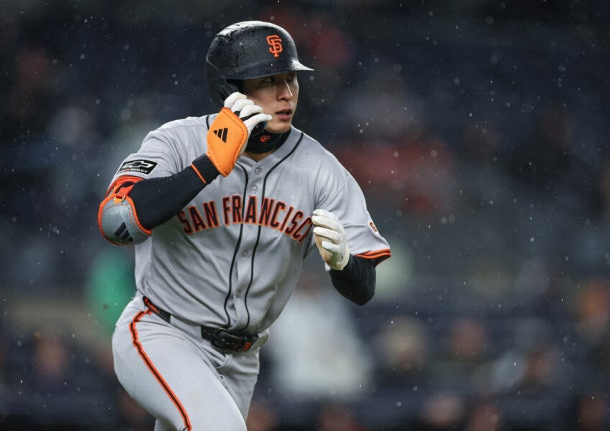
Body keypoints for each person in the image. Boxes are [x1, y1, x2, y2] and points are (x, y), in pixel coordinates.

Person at [97, 20, 391, 431]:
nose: (286, 93)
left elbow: (364, 289)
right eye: (268, 81)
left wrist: (343, 264)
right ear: (230, 89)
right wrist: (207, 166)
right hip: (163, 332)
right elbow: (116, 223)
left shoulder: (321, 169)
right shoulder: (177, 142)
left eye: (290, 78)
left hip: (242, 359)